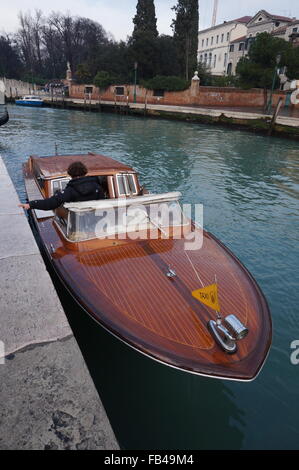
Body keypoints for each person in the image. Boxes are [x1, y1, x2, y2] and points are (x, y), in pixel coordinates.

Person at [19, 161, 106, 211]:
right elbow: (102, 204)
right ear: (85, 172)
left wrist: (31, 204)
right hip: (94, 221)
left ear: (70, 174)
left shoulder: (69, 191)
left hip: (77, 224)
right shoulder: (97, 187)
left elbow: (50, 203)